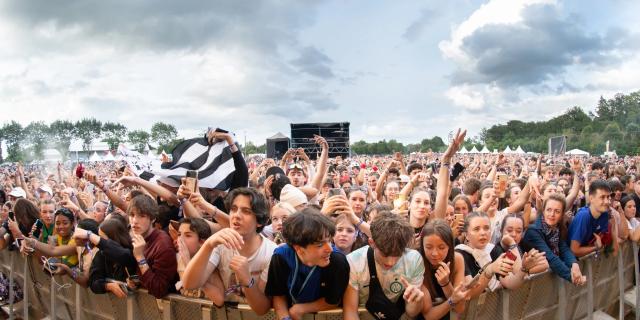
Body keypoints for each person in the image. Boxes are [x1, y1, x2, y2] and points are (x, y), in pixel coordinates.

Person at [182, 188, 275, 314]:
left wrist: (247, 280)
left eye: (246, 211)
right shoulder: (221, 244)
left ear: (259, 221)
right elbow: (190, 284)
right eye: (233, 209)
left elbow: (262, 309)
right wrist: (208, 245)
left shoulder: (272, 252)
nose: (236, 215)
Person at [265, 209, 350, 320]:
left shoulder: (338, 261)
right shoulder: (281, 257)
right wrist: (285, 318)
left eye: (329, 240)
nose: (329, 249)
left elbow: (332, 300)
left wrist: (301, 308)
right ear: (299, 249)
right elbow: (278, 295)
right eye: (320, 245)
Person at [343, 211, 425, 320]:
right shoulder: (354, 261)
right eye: (385, 254)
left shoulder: (414, 260)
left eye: (397, 255)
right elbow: (350, 311)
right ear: (372, 243)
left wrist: (416, 302)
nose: (390, 262)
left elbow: (411, 313)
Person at [523, 193, 586, 285]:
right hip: (527, 284)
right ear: (543, 210)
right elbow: (550, 257)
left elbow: (563, 248)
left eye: (557, 211)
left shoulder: (556, 228)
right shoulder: (533, 231)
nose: (552, 214)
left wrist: (574, 264)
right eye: (549, 210)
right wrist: (572, 277)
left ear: (562, 214)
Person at [128, 194, 178, 298]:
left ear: (153, 218)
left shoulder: (163, 245)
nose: (134, 221)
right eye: (132, 215)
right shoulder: (138, 238)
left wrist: (140, 257)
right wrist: (138, 282)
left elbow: (159, 289)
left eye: (142, 216)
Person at [418, 219, 469, 319]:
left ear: (449, 246)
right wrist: (452, 300)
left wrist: (445, 284)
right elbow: (428, 316)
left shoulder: (457, 259)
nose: (434, 253)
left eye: (441, 247)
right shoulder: (418, 262)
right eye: (428, 247)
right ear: (422, 246)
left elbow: (459, 308)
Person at [80, 216, 138, 298]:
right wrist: (108, 286)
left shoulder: (131, 251)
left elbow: (125, 257)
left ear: (113, 238)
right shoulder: (101, 254)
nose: (99, 242)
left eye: (102, 239)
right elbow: (93, 282)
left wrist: (131, 284)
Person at [568, 180, 615, 257]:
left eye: (608, 197)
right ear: (591, 198)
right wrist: (595, 247)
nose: (607, 201)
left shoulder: (605, 214)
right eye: (602, 197)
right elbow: (574, 250)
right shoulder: (584, 216)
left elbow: (601, 239)